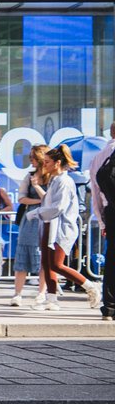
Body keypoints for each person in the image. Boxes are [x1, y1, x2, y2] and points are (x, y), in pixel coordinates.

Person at [34, 145, 102, 311]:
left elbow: (59, 207)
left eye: (47, 162)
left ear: (57, 163)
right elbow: (50, 203)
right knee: (47, 263)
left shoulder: (65, 181)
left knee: (56, 264)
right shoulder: (54, 180)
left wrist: (35, 213)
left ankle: (91, 287)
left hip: (62, 227)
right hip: (50, 224)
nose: (44, 165)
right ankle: (51, 299)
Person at [11, 144, 49, 307]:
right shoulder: (30, 176)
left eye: (33, 157)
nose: (31, 160)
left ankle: (41, 293)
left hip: (46, 218)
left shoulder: (53, 177)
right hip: (30, 219)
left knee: (44, 257)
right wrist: (39, 201)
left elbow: (50, 199)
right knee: (23, 256)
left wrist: (38, 190)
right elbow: (21, 198)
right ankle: (17, 293)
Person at [89, 122, 115, 320]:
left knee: (112, 258)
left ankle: (110, 307)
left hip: (111, 210)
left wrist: (102, 221)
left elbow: (96, 194)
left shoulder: (99, 157)